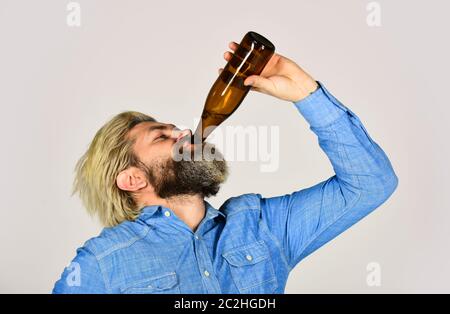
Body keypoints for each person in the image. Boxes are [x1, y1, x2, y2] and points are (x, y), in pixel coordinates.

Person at [52, 41, 398, 294]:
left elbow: (370, 183)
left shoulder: (262, 228)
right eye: (162, 137)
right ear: (133, 178)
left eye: (175, 129)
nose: (184, 132)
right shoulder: (101, 262)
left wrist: (306, 93)